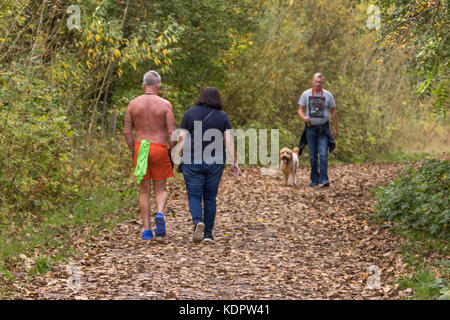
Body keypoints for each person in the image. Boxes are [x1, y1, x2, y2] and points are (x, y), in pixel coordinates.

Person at [177, 87, 240, 243]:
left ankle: (198, 221)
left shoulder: (190, 113)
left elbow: (181, 137)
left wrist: (179, 156)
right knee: (210, 197)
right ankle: (208, 235)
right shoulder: (222, 117)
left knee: (194, 195)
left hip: (192, 159)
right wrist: (234, 161)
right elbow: (229, 140)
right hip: (215, 160)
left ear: (201, 97)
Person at [123, 70, 176, 240]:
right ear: (158, 85)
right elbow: (172, 132)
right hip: (159, 147)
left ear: (143, 85)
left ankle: (146, 229)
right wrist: (171, 151)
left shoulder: (132, 104)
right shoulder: (165, 104)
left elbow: (126, 132)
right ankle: (159, 213)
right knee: (161, 188)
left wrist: (133, 150)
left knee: (143, 190)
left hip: (141, 147)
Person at [297, 73, 338, 187]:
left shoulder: (328, 95)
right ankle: (314, 179)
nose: (318, 84)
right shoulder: (306, 94)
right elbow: (300, 109)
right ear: (312, 82)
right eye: (316, 81)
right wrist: (304, 118)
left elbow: (333, 112)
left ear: (323, 83)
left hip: (323, 128)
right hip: (310, 128)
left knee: (323, 153)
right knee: (312, 155)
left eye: (320, 82)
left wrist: (335, 128)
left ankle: (324, 179)